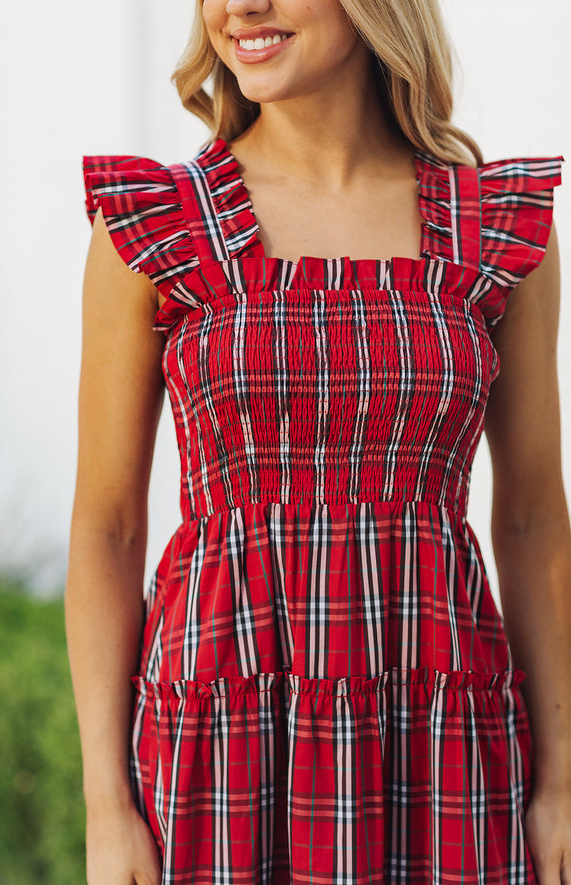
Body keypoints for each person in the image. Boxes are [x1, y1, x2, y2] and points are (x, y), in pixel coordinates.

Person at [65, 0, 571, 883]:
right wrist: (106, 807)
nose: (239, 9)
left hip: (443, 737)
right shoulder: (155, 228)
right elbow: (107, 528)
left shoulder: (493, 228)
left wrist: (564, 779)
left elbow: (531, 521)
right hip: (217, 742)